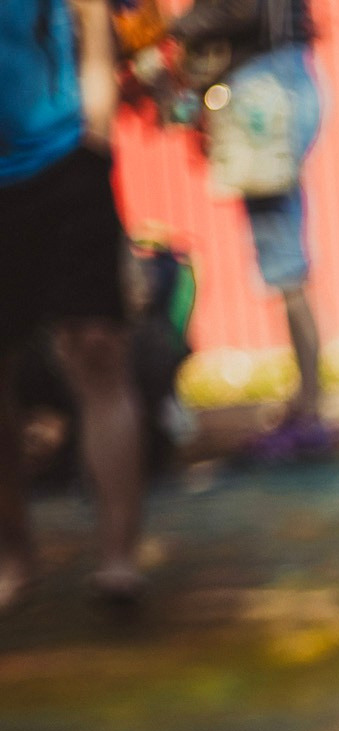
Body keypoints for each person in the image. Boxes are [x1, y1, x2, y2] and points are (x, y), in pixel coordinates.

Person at [1, 0, 147, 614]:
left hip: (67, 165)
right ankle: (13, 555)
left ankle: (119, 558)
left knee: (96, 349)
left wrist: (95, 140)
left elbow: (92, 22)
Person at [170, 0, 332, 461]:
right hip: (277, 77)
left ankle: (311, 412)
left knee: (284, 260)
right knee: (283, 256)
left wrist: (173, 28)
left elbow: (239, 10)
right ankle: (307, 403)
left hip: (266, 85)